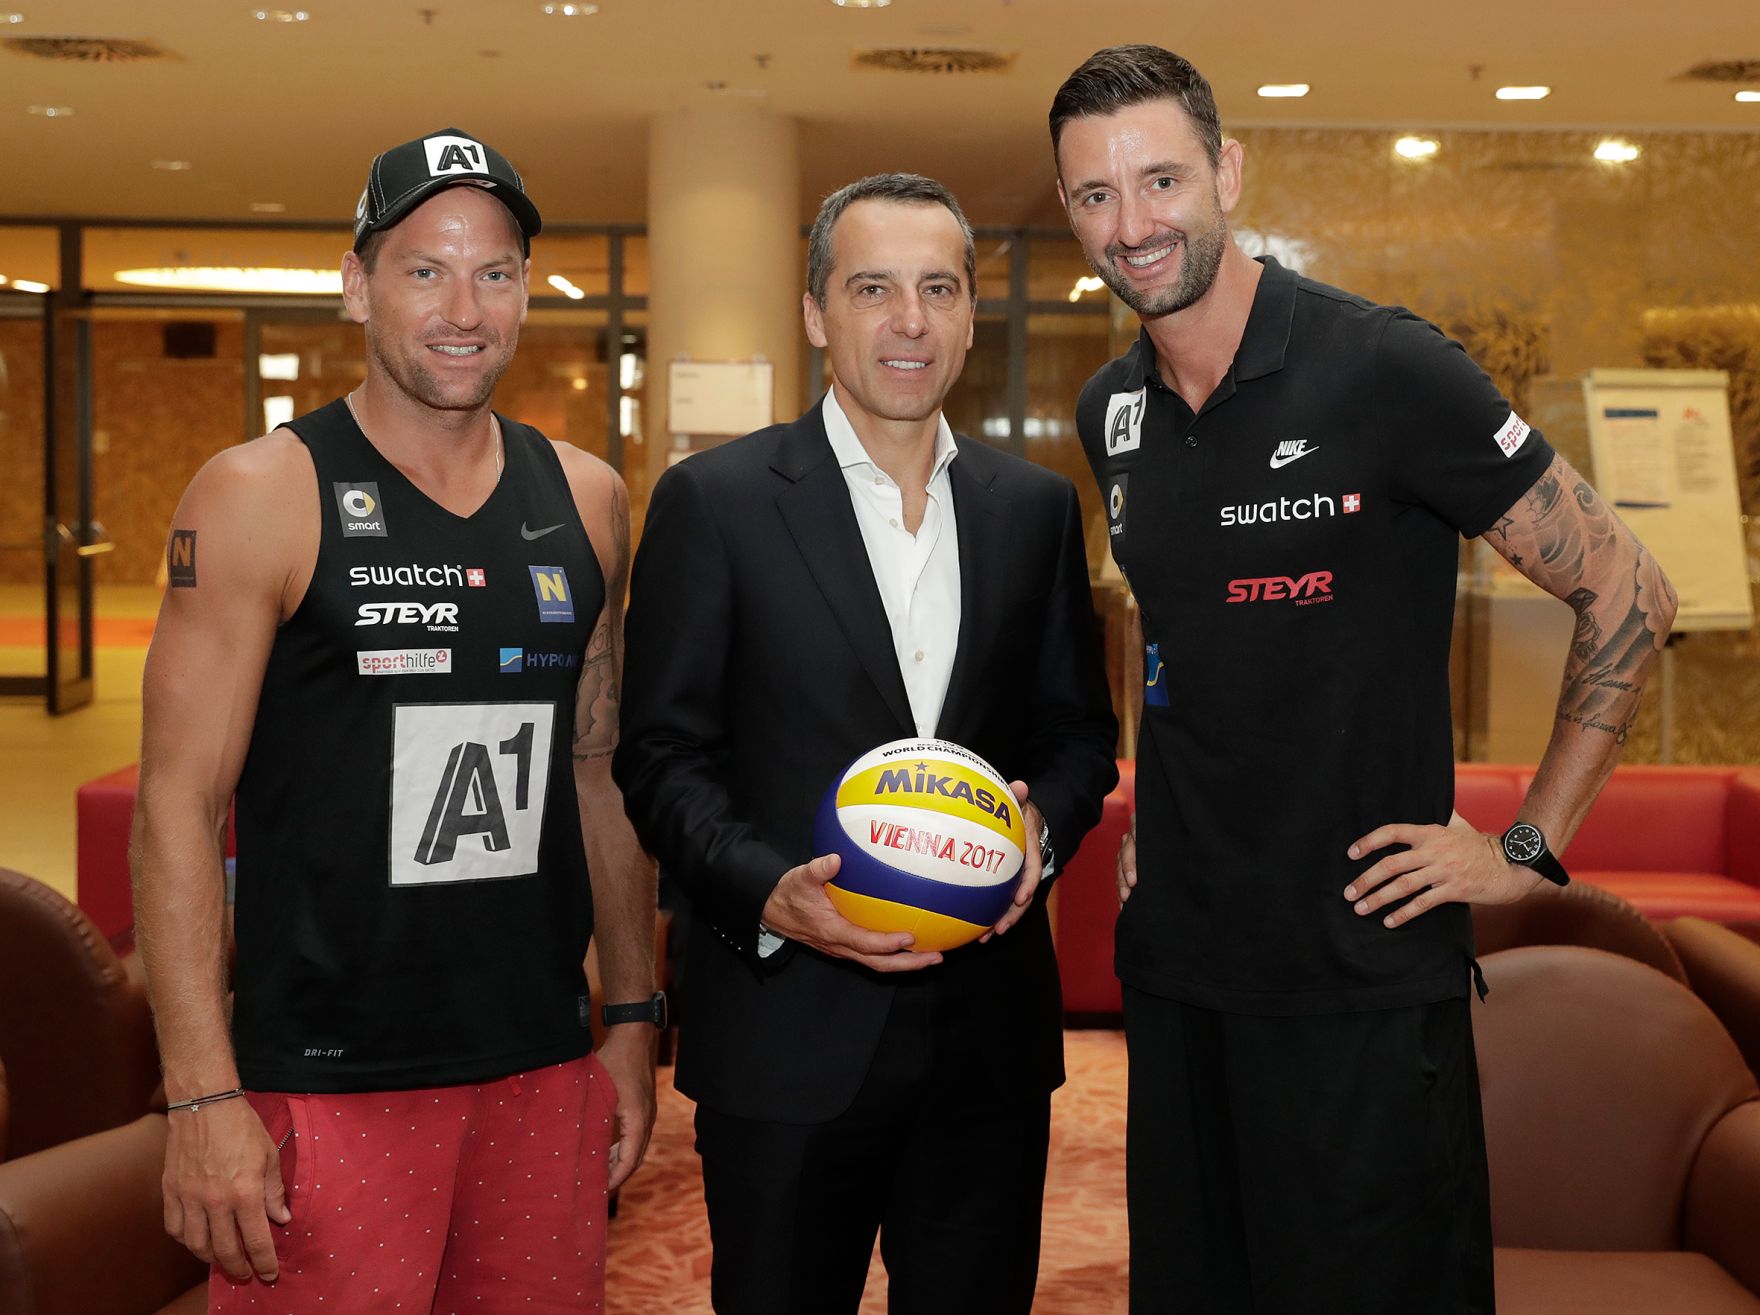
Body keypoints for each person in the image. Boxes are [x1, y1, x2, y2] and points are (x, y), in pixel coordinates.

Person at [1049, 46, 1677, 1315]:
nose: (1132, 224)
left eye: (1160, 179)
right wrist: (1151, 812)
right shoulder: (1108, 410)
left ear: (1225, 169)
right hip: (1175, 972)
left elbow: (1627, 592)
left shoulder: (1384, 369)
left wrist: (1528, 844)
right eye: (1093, 196)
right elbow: (1175, 631)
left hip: (1361, 976)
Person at [130, 127, 660, 1313]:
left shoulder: (586, 497)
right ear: (355, 283)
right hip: (323, 1081)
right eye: (424, 269)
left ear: (529, 289)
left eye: (496, 271)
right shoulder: (259, 494)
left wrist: (629, 1015)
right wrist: (203, 1096)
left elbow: (597, 771)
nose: (462, 307)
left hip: (536, 1066)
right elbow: (178, 803)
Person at [613, 173, 1118, 1314]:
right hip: (787, 1036)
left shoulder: (1031, 509)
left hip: (985, 1043)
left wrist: (1039, 823)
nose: (909, 321)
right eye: (873, 288)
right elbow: (659, 754)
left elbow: (1079, 730)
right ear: (814, 310)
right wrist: (767, 890)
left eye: (938, 289)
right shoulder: (716, 502)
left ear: (970, 313)